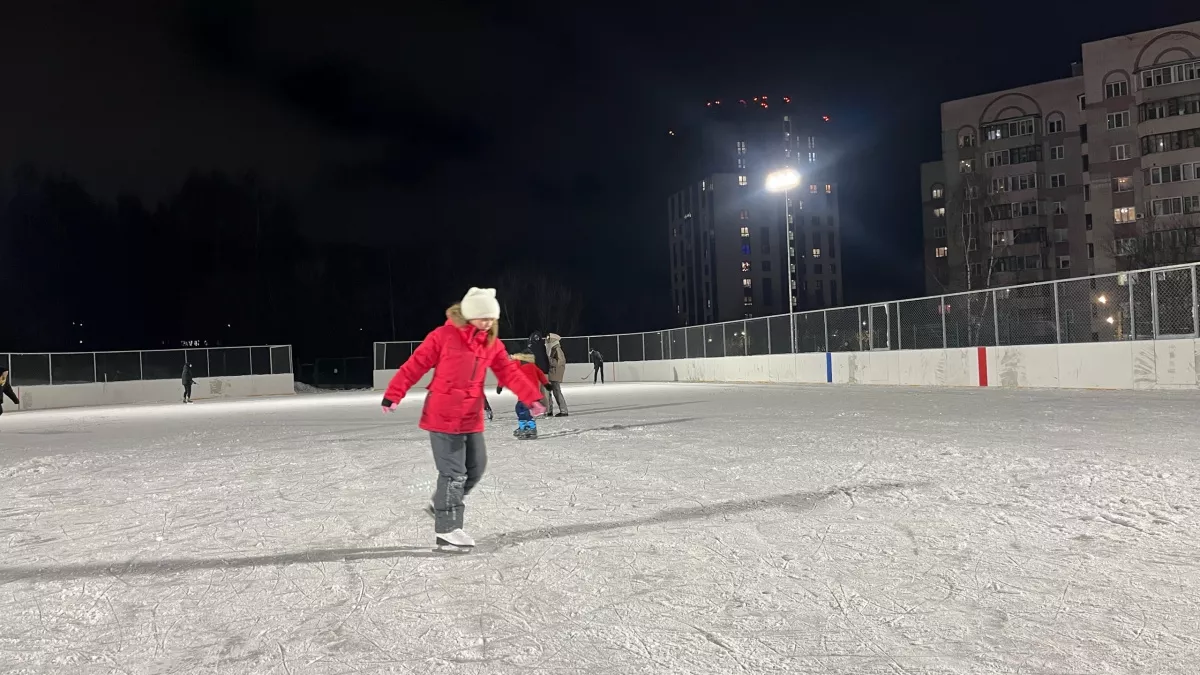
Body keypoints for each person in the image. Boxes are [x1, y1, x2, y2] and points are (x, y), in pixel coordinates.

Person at [381, 288, 545, 552]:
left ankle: (441, 504)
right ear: (469, 314)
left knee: (476, 469)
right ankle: (447, 530)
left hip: (470, 417)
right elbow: (415, 365)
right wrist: (393, 394)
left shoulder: (491, 343)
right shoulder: (443, 336)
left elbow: (510, 373)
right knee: (454, 474)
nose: (488, 322)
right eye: (482, 317)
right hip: (442, 415)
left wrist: (531, 397)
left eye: (491, 317)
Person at [509, 351, 549, 439]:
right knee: (523, 409)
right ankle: (528, 428)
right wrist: (546, 384)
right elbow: (541, 375)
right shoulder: (532, 366)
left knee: (522, 410)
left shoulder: (518, 365)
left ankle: (527, 428)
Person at [544, 333, 569, 417]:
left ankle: (563, 410)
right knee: (549, 392)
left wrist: (548, 359)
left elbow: (560, 362)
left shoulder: (557, 349)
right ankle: (549, 410)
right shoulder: (554, 349)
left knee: (557, 392)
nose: (547, 341)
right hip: (552, 373)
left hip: (554, 374)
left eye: (548, 339)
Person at [527, 331, 552, 414]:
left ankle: (539, 410)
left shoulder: (532, 348)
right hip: (544, 372)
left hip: (537, 373)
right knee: (544, 393)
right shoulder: (542, 347)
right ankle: (546, 410)